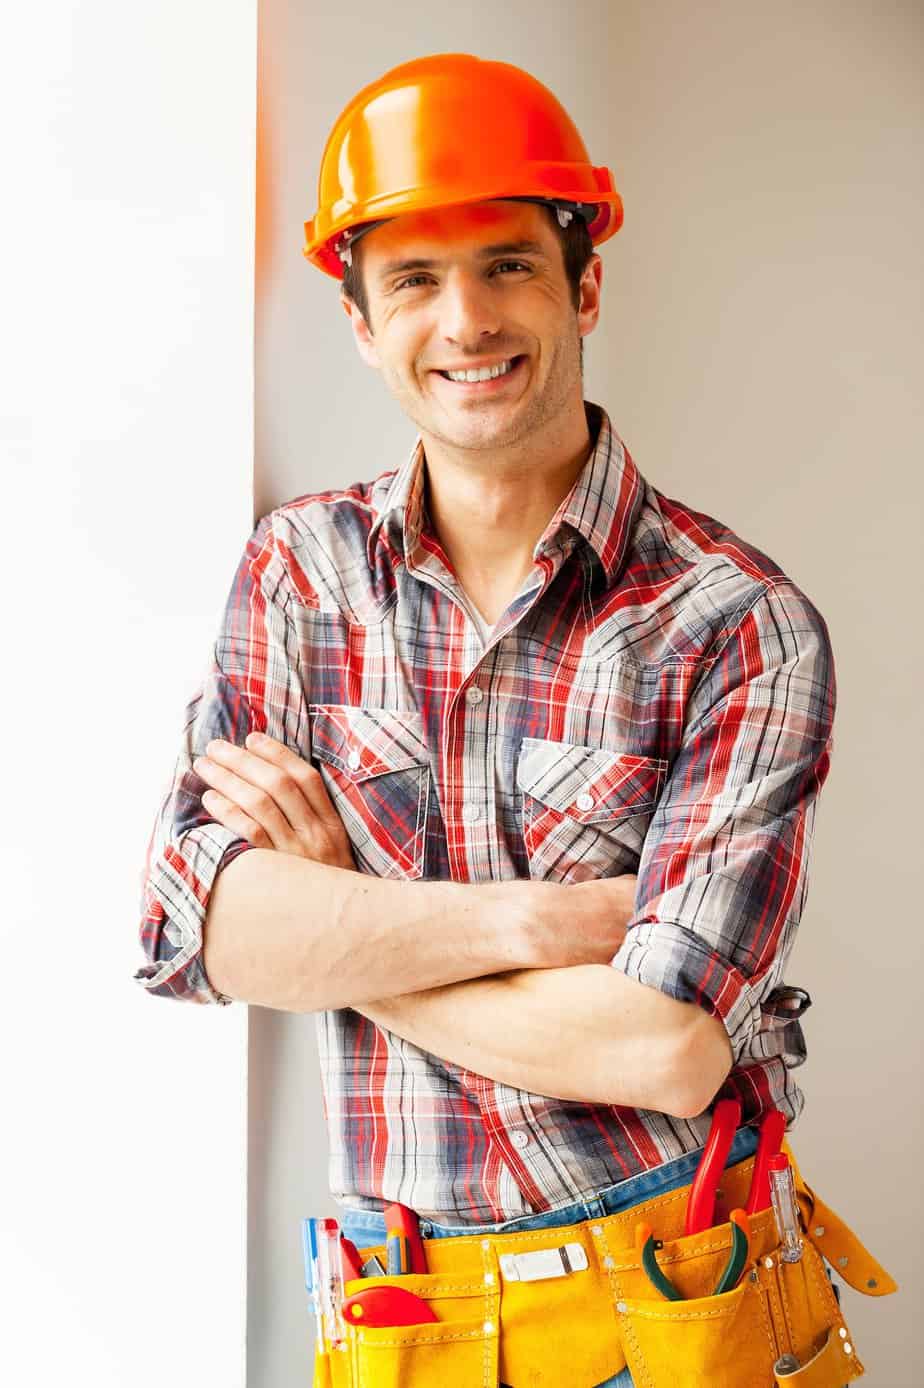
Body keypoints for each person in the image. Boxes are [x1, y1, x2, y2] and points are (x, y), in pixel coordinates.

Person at [135, 54, 849, 1388]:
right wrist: (521, 927)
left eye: (508, 265)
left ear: (584, 285)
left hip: (677, 1291)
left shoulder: (735, 624)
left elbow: (668, 1048)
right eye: (413, 278)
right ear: (360, 322)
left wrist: (339, 921)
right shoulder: (298, 578)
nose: (465, 318)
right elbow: (202, 927)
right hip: (406, 1317)